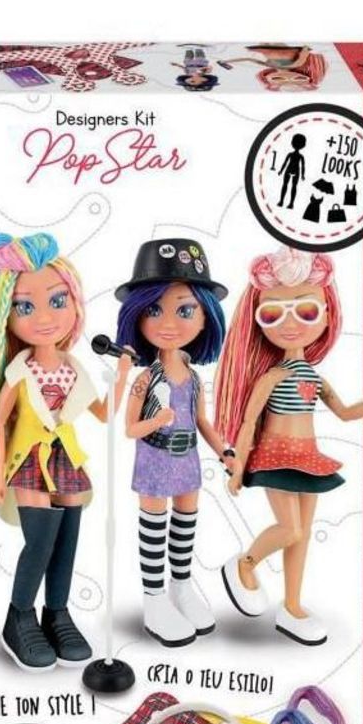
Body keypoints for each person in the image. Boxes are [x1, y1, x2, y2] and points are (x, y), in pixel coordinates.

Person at [0, 233, 130, 672]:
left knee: (67, 539)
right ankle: (19, 616)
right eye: (24, 307)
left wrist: (123, 375)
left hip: (67, 459)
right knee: (40, 540)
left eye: (57, 301)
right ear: (4, 316)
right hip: (29, 460)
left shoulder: (73, 367)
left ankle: (58, 613)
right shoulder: (18, 371)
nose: (45, 318)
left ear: (74, 304)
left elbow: (103, 413)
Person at [214, 246, 363, 644]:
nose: (290, 323)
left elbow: (345, 412)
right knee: (289, 528)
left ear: (328, 314)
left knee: (302, 533)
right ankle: (245, 564)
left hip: (308, 457)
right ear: (257, 320)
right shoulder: (271, 376)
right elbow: (248, 422)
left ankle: (293, 606)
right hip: (275, 456)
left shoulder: (313, 376)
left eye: (306, 310)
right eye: (272, 314)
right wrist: (237, 468)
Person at [115, 238, 230, 646]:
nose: (168, 323)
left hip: (188, 457)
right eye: (154, 310)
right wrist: (157, 420)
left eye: (184, 310)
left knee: (185, 522)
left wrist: (225, 451)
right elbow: (129, 429)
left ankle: (181, 586)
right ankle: (154, 597)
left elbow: (202, 421)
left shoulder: (194, 378)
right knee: (154, 525)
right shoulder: (146, 379)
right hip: (154, 457)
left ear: (205, 317)